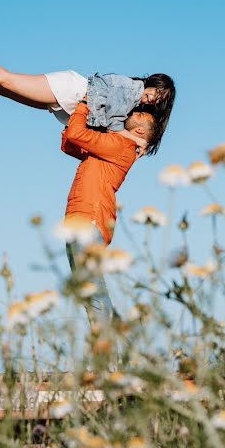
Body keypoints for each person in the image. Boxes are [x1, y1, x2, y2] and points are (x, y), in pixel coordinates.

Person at [0, 42, 175, 155]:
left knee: (1, 88)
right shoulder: (133, 89)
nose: (153, 99)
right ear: (153, 83)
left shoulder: (132, 102)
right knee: (6, 78)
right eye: (157, 92)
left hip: (66, 102)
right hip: (71, 88)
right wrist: (133, 137)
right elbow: (110, 122)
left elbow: (112, 127)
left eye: (159, 100)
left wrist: (134, 138)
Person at [58, 102, 155, 320]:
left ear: (140, 131)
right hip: (80, 220)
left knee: (93, 295)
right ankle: (108, 347)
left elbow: (76, 134)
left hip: (88, 221)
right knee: (89, 293)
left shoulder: (120, 144)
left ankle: (107, 351)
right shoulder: (111, 145)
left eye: (138, 113)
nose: (130, 112)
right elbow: (69, 144)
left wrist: (84, 105)